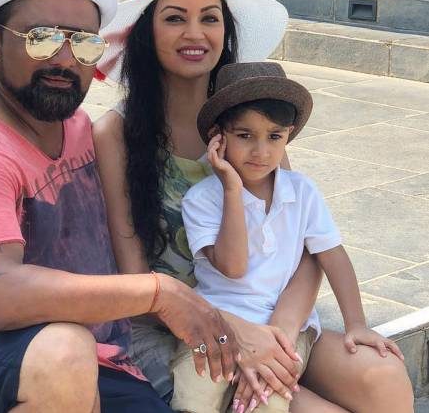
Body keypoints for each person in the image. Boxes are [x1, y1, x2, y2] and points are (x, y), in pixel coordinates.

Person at [0, 0, 254, 413]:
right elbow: (1, 296)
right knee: (64, 352)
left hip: (97, 354)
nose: (64, 59)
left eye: (83, 42)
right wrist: (158, 293)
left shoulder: (76, 128)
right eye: (41, 37)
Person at [93, 0, 414, 413]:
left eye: (209, 17)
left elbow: (305, 245)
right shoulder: (116, 133)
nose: (195, 33)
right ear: (146, 32)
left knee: (383, 377)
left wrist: (278, 334)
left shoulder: (252, 122)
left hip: (271, 317)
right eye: (175, 18)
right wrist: (235, 334)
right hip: (174, 330)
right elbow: (138, 281)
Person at [170, 61, 410, 413]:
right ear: (218, 137)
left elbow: (333, 256)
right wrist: (232, 189)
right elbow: (233, 266)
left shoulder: (302, 191)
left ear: (289, 134)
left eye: (274, 136)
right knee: (195, 395)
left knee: (267, 401)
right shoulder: (203, 199)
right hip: (218, 324)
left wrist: (356, 323)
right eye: (245, 136)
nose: (261, 151)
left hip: (289, 333)